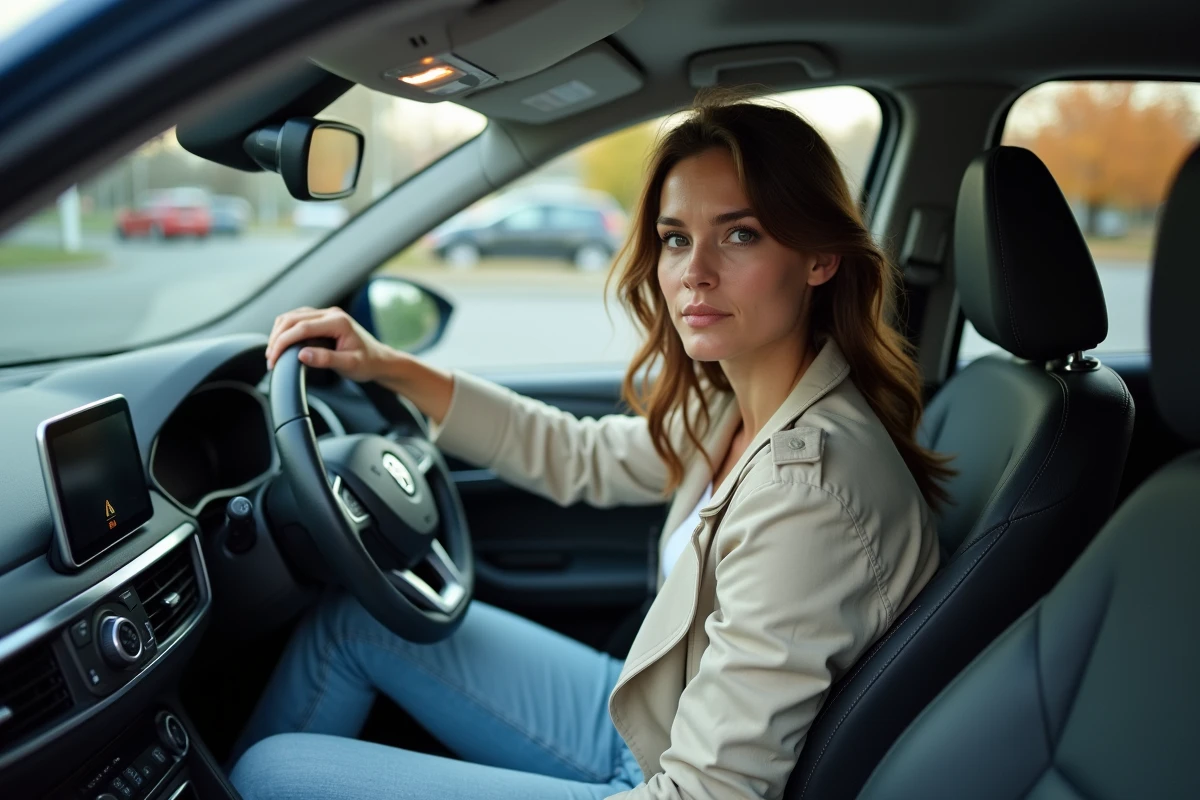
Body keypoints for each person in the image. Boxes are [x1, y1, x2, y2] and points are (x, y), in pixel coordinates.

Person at [229, 93, 948, 800]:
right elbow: (576, 454)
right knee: (351, 625)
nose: (694, 271)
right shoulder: (741, 405)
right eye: (675, 238)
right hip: (655, 718)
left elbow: (708, 794)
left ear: (820, 259)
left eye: (740, 235)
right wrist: (388, 366)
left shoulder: (805, 495)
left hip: (662, 777)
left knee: (272, 774)